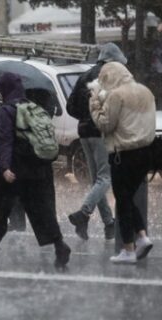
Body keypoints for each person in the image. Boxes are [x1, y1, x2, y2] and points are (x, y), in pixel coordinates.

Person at [0, 73, 71, 269]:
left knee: (0, 210)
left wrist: (5, 168)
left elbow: (6, 141)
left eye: (0, 90)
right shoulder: (33, 107)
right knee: (42, 210)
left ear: (5, 90)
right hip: (38, 169)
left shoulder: (7, 110)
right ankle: (60, 246)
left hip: (14, 171)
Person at [89, 62, 155, 264]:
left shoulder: (117, 95)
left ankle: (128, 248)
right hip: (146, 152)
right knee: (127, 197)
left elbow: (105, 124)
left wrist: (94, 104)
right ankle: (142, 236)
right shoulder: (145, 91)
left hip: (123, 154)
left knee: (123, 200)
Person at [66, 43, 126, 240]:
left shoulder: (85, 75)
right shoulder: (111, 74)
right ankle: (83, 213)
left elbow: (70, 106)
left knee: (96, 180)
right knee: (105, 177)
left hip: (84, 132)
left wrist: (85, 117)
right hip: (101, 131)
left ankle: (109, 224)